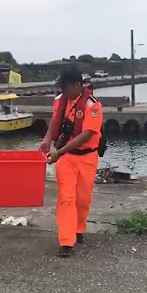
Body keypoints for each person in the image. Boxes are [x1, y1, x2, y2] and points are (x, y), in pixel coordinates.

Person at [39, 67, 104, 257]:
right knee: (66, 198)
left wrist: (59, 151)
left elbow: (86, 135)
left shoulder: (93, 106)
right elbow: (55, 121)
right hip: (66, 158)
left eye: (66, 87)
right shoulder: (60, 100)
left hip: (86, 157)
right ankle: (66, 241)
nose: (63, 91)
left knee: (83, 199)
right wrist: (46, 140)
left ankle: (78, 229)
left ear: (77, 85)